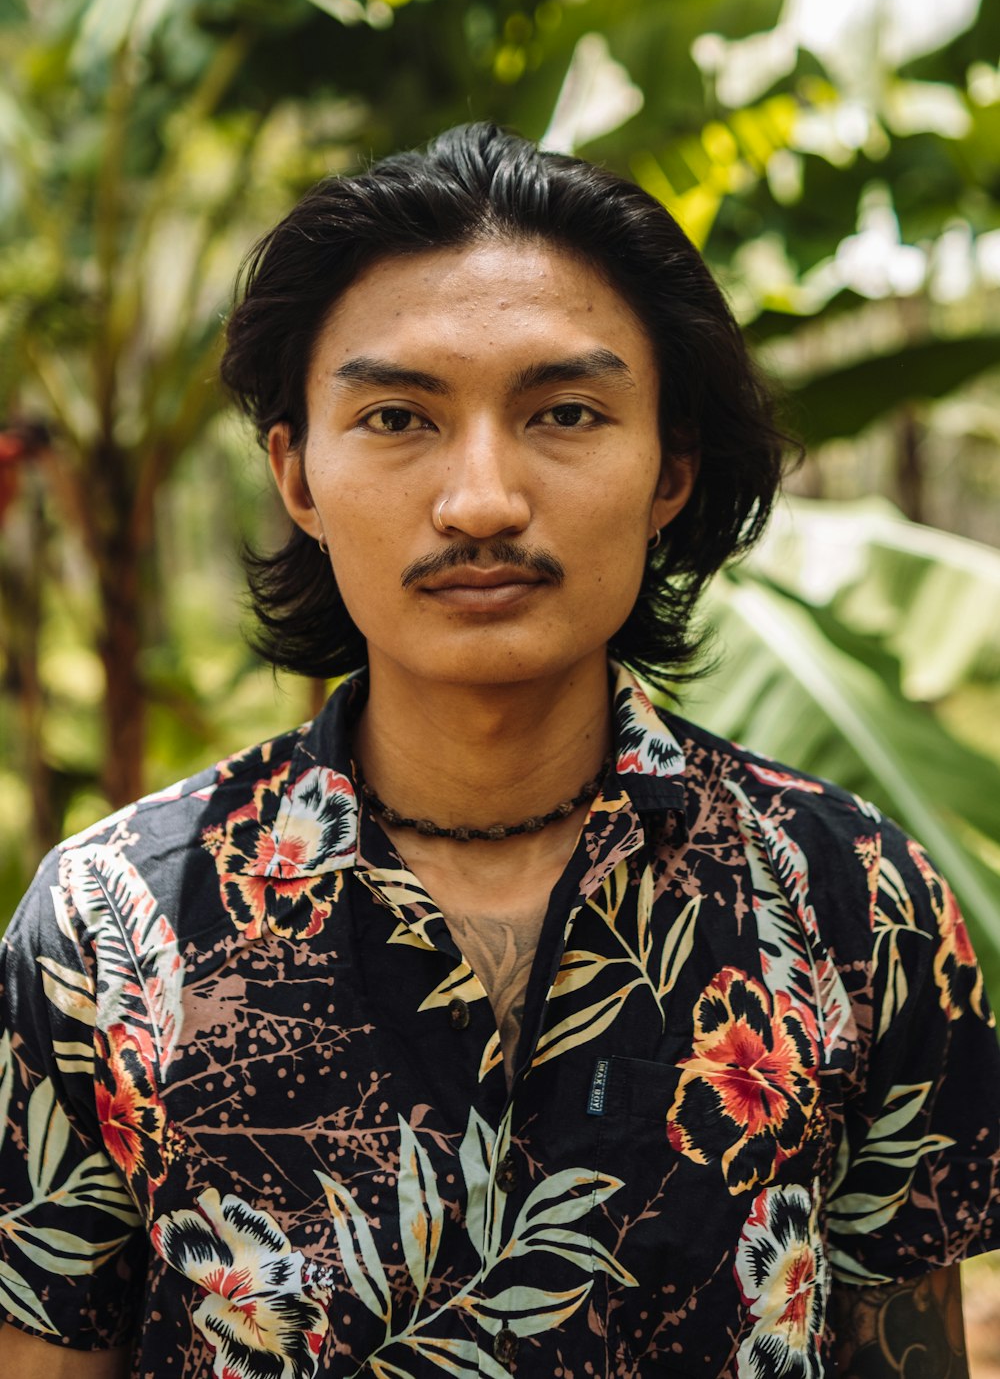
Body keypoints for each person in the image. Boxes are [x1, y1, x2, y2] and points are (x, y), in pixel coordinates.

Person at [0, 123, 997, 1378]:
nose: (479, 500)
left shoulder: (857, 905)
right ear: (295, 472)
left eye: (565, 412)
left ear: (670, 469)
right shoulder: (109, 928)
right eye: (398, 417)